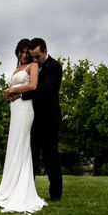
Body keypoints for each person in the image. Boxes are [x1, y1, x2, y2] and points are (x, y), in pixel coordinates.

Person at [0, 39, 47, 214]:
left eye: (27, 52)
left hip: (26, 109)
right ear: (17, 52)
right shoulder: (17, 68)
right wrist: (8, 94)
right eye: (21, 52)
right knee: (13, 144)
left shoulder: (32, 66)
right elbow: (16, 86)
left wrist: (12, 91)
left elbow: (33, 85)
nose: (24, 55)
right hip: (15, 109)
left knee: (21, 145)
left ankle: (21, 188)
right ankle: (9, 186)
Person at [19, 37, 63, 201]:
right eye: (33, 56)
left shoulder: (55, 67)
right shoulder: (33, 67)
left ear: (45, 51)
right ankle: (28, 191)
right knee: (31, 156)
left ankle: (55, 194)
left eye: (38, 56)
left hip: (50, 119)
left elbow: (46, 90)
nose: (35, 59)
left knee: (50, 156)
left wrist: (22, 94)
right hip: (33, 119)